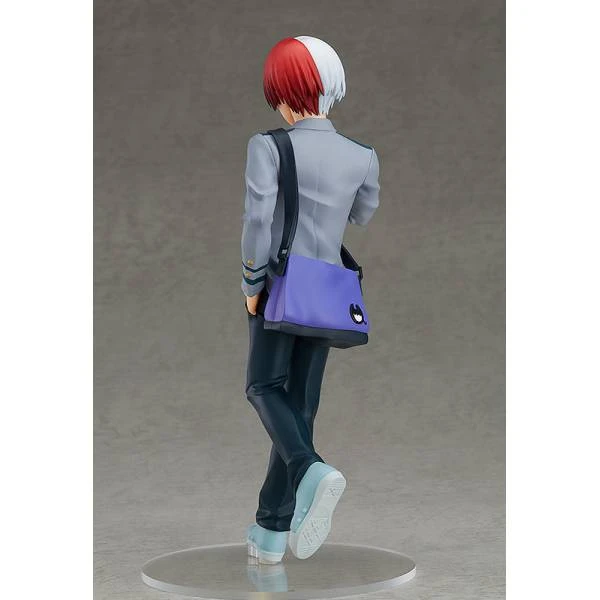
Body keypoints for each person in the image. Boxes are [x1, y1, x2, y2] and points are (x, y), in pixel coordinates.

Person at [241, 36, 380, 564]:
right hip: (328, 290)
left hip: (281, 285)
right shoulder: (362, 156)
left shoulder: (269, 146)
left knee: (262, 387)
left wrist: (252, 284)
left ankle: (309, 469)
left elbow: (258, 221)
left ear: (284, 90)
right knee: (299, 406)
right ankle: (270, 531)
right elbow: (361, 214)